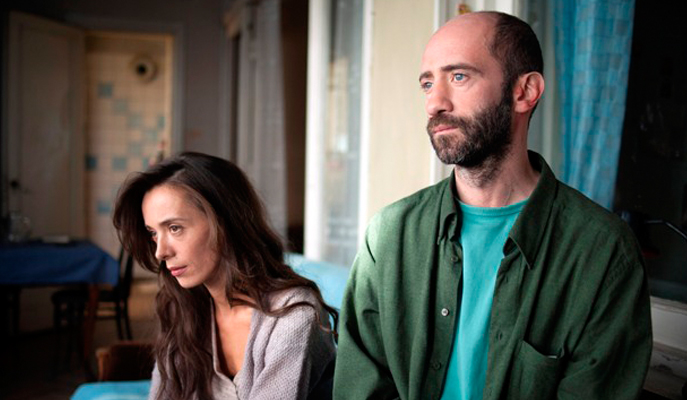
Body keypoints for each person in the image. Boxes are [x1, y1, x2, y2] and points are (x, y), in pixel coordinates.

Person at [333, 11, 651, 400]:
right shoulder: (388, 237)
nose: (434, 103)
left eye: (458, 77)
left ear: (525, 91)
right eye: (428, 83)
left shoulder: (603, 253)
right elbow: (358, 389)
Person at [113, 152, 337, 400]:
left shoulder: (292, 314)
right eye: (154, 233)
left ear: (226, 223)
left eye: (175, 228)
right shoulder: (185, 306)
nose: (160, 252)